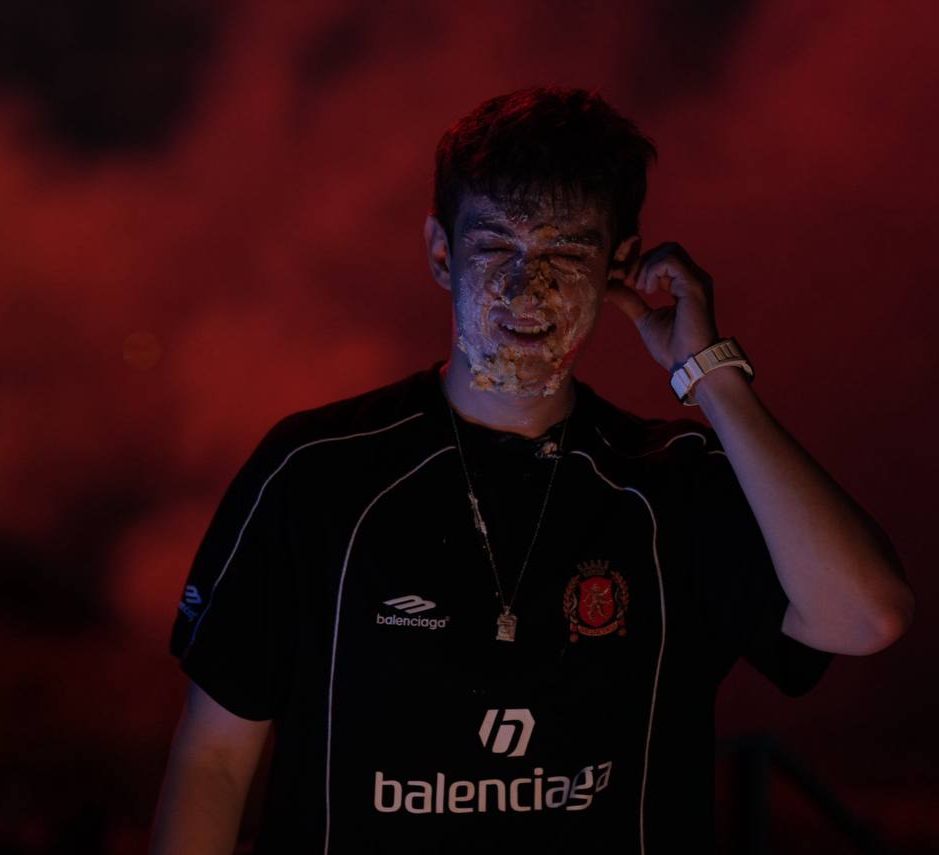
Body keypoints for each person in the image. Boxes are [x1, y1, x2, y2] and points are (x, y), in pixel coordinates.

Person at [148, 85, 914, 855]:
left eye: (566, 254)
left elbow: (866, 616)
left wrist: (709, 374)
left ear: (619, 264)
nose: (528, 288)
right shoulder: (318, 473)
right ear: (441, 252)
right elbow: (214, 761)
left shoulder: (669, 483)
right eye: (495, 248)